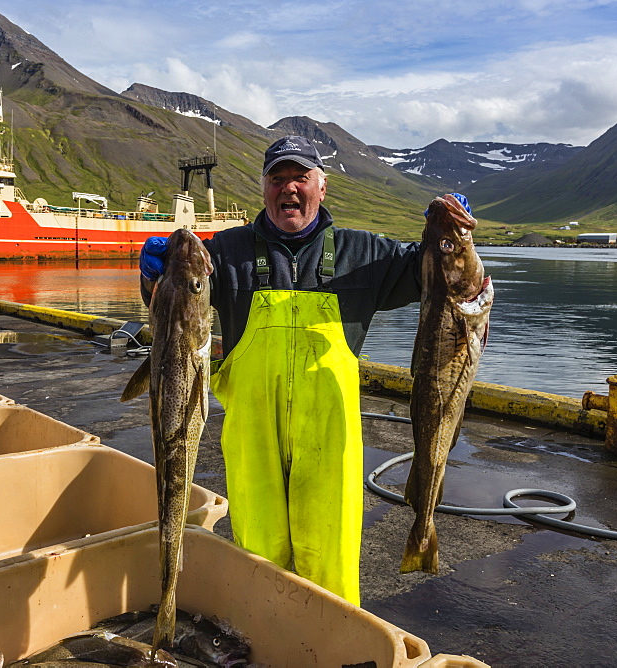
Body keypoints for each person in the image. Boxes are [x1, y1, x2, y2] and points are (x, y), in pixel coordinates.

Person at [139, 135, 465, 605]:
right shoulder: (225, 253)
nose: (289, 188)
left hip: (330, 442)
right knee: (257, 558)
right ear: (264, 188)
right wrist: (153, 272)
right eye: (278, 178)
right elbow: (175, 305)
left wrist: (452, 235)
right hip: (253, 438)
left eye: (301, 178)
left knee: (329, 563)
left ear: (322, 187)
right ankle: (263, 642)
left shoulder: (364, 253)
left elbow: (438, 274)